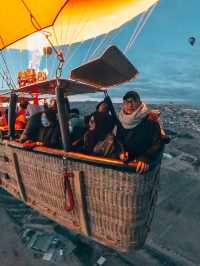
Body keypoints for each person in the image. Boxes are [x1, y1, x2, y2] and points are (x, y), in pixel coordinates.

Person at [115, 91, 163, 173]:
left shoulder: (150, 119)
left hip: (140, 166)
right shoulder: (121, 119)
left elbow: (158, 142)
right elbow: (119, 139)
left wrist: (146, 157)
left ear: (139, 103)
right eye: (127, 102)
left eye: (134, 101)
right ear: (123, 103)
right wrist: (121, 152)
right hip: (125, 164)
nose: (130, 105)